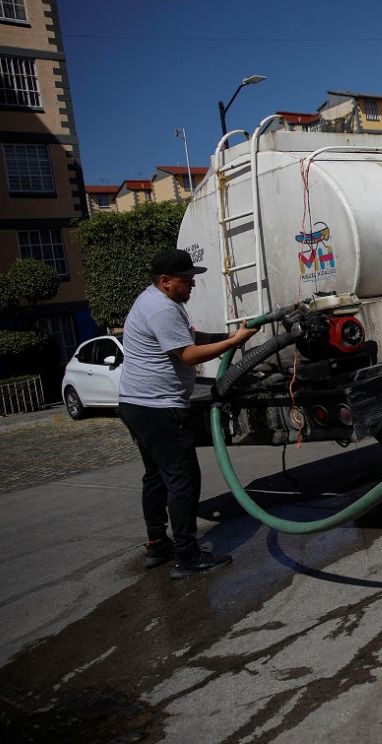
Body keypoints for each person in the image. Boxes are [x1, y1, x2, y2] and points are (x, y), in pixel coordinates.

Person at [119, 248, 257, 579]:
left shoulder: (157, 302)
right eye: (186, 280)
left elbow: (191, 338)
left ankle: (158, 544)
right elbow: (190, 355)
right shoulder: (161, 310)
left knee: (156, 476)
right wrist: (233, 342)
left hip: (138, 405)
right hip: (157, 408)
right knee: (182, 478)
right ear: (165, 281)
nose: (192, 284)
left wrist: (226, 338)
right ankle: (186, 554)